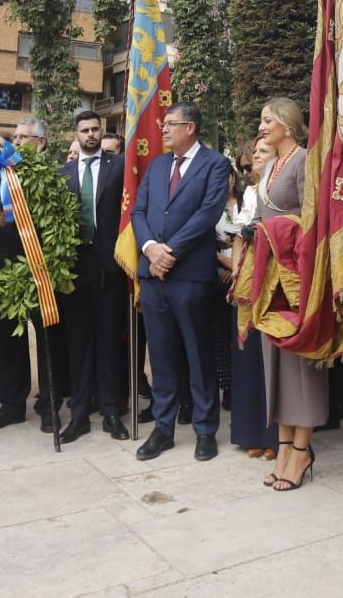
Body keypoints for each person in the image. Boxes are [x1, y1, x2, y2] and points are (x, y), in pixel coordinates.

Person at [131, 102, 230, 463]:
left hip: (188, 274)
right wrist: (150, 248)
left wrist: (169, 251)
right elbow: (138, 211)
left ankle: (206, 430)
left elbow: (208, 214)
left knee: (197, 352)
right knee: (161, 354)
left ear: (190, 127)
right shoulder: (157, 166)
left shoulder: (215, 164)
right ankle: (163, 428)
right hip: (154, 275)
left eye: (170, 124)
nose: (164, 129)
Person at [245, 97, 325, 490]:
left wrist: (277, 231)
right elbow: (262, 215)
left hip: (297, 277)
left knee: (300, 365)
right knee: (273, 360)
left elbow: (315, 221)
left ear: (288, 126)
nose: (262, 126)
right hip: (268, 275)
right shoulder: (272, 165)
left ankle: (303, 450)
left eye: (267, 120)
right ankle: (282, 444)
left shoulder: (304, 160)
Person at [0, 118, 62, 431]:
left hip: (38, 269)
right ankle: (12, 405)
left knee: (48, 340)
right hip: (3, 268)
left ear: (40, 142)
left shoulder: (52, 176)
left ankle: (50, 405)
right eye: (14, 135)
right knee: (9, 341)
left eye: (24, 137)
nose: (16, 141)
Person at [57, 110, 130, 442]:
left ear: (102, 132)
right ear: (75, 135)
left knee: (109, 340)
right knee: (78, 342)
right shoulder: (63, 172)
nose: (90, 134)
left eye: (95, 129)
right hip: (74, 267)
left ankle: (112, 411)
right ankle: (79, 413)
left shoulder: (119, 167)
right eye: (84, 130)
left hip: (109, 266)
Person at [225, 140, 274, 459]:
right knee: (248, 356)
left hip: (275, 281)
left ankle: (274, 437)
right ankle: (251, 433)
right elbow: (239, 236)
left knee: (271, 361)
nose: (254, 159)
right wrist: (237, 275)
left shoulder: (281, 191)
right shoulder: (250, 194)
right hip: (247, 282)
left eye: (261, 152)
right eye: (250, 156)